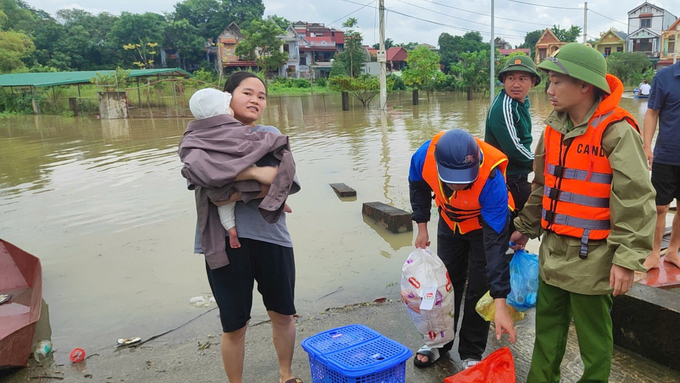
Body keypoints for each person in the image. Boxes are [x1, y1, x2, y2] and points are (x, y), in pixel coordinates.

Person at [510, 43, 656, 382]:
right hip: (552, 252)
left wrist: (626, 259)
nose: (549, 90)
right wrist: (525, 226)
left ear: (585, 86)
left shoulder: (616, 130)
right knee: (547, 335)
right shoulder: (553, 129)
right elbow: (543, 186)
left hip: (594, 257)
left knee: (594, 341)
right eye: (548, 82)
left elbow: (636, 198)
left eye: (558, 82)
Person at [188, 72, 302, 383]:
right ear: (227, 98)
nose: (255, 100)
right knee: (234, 324)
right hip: (222, 240)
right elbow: (203, 180)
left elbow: (287, 180)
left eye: (261, 96)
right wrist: (256, 172)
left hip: (272, 236)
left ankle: (286, 375)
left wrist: (232, 181)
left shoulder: (269, 134)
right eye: (247, 92)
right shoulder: (203, 138)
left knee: (282, 312)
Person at [409, 128, 517, 370]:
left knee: (479, 286)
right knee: (445, 284)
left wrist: (500, 303)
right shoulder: (423, 157)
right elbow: (418, 188)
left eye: (464, 181)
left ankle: (471, 351)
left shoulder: (491, 180)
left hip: (483, 227)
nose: (458, 187)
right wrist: (422, 227)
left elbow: (496, 250)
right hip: (449, 222)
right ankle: (439, 343)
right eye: (452, 181)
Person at [485, 55, 540, 212]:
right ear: (504, 81)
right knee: (543, 208)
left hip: (516, 175)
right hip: (506, 178)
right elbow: (515, 149)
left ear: (533, 82)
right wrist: (542, 165)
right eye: (511, 78)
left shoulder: (521, 102)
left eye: (522, 79)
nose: (516, 84)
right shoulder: (504, 107)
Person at [642, 61, 680, 270]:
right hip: (666, 155)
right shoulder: (664, 77)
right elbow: (652, 113)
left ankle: (673, 251)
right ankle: (654, 253)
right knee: (659, 207)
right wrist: (647, 146)